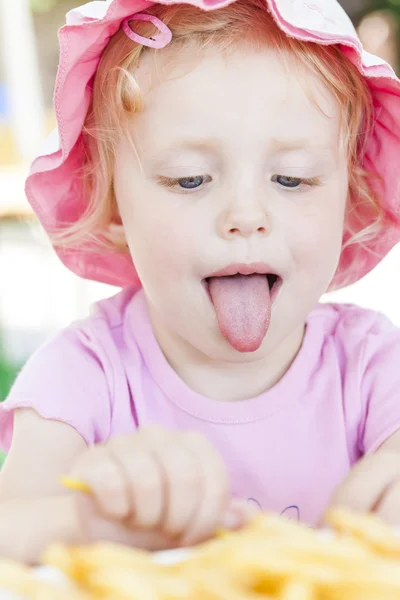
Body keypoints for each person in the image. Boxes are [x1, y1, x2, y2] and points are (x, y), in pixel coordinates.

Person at [1, 0, 400, 565]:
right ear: (112, 200)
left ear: (349, 194)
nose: (245, 214)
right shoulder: (85, 372)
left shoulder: (372, 364)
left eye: (293, 178)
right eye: (190, 180)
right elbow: (8, 532)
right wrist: (88, 521)